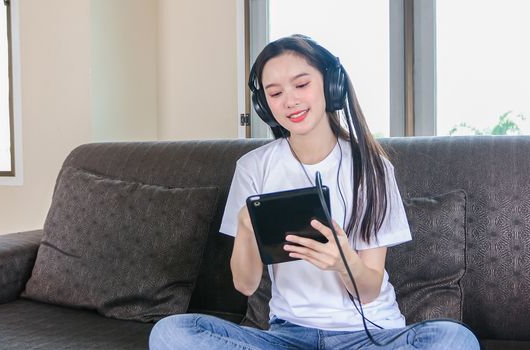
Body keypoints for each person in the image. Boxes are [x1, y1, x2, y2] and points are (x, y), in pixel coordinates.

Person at [149, 34, 480, 350]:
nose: (289, 100)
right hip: (287, 336)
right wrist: (247, 227)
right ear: (264, 105)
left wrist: (343, 262)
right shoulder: (253, 168)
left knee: (454, 340)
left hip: (370, 337)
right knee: (171, 333)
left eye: (302, 84)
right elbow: (245, 284)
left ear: (331, 86)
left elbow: (368, 290)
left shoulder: (372, 168)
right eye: (274, 93)